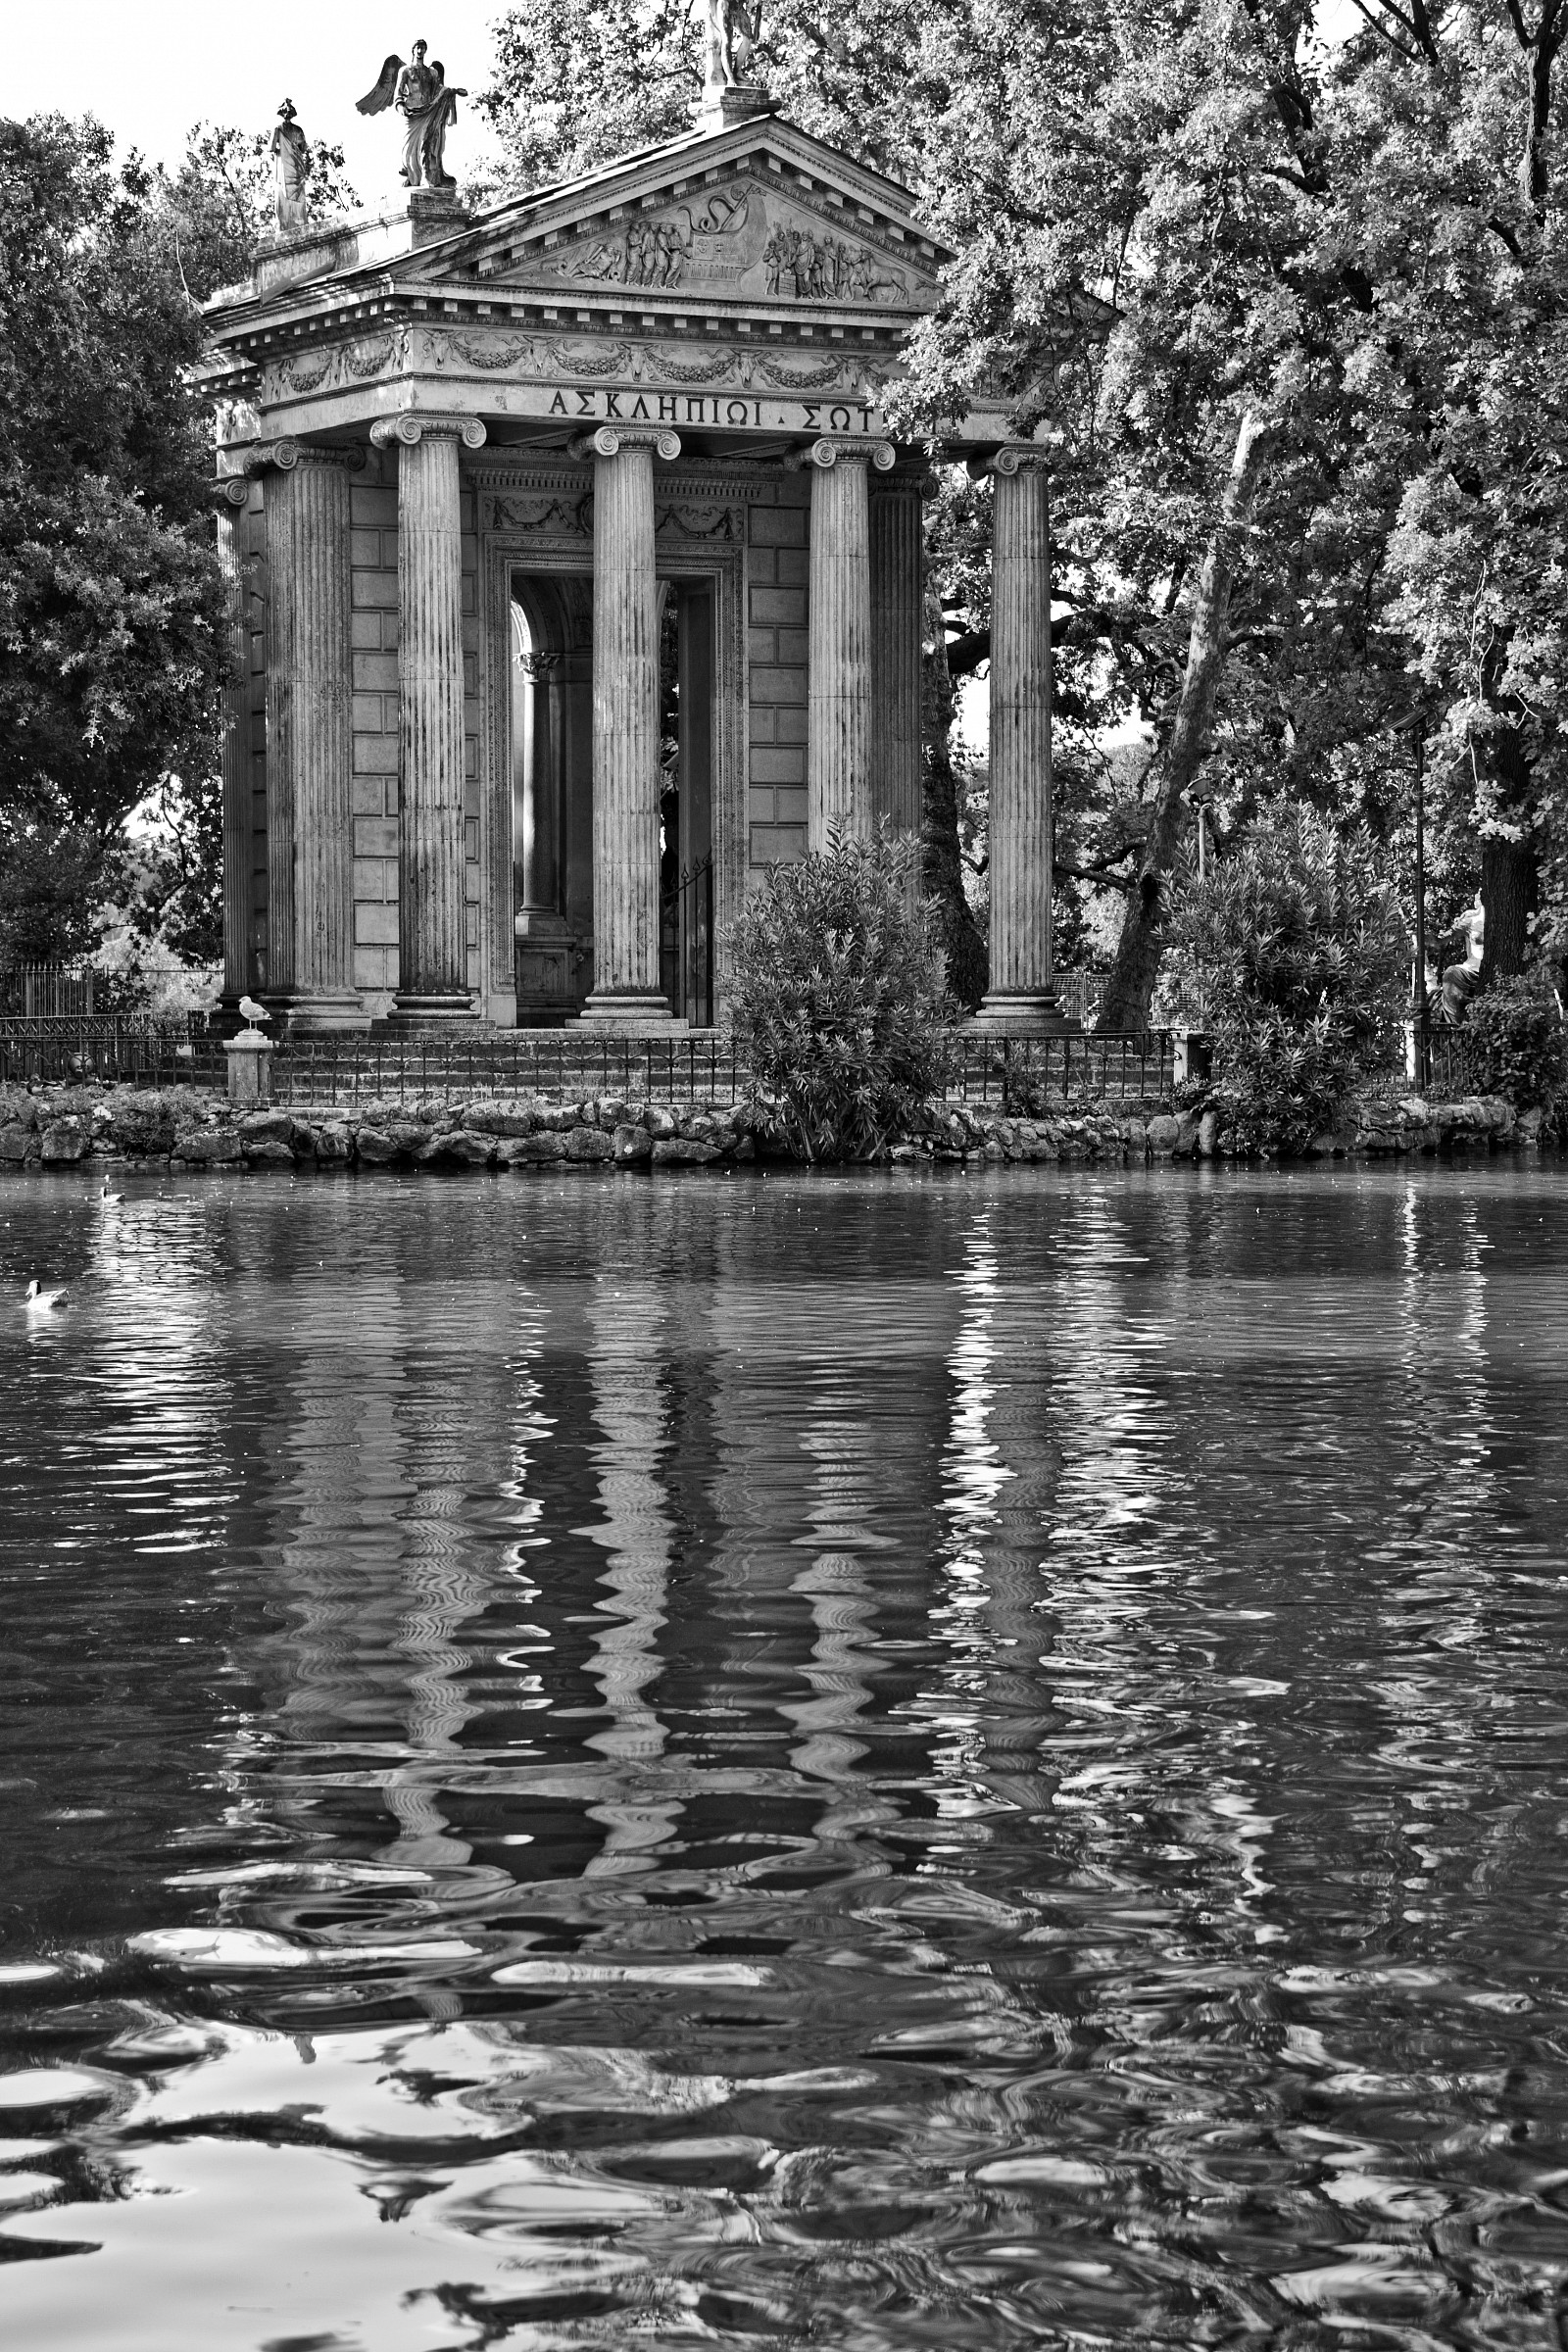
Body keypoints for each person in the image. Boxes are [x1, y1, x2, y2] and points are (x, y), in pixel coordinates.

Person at [270, 100, 309, 234]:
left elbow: (271, 148)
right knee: (295, 194)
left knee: (284, 192)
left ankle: (286, 223)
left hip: (285, 164)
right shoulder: (298, 130)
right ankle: (297, 220)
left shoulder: (278, 129)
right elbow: (303, 147)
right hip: (296, 164)